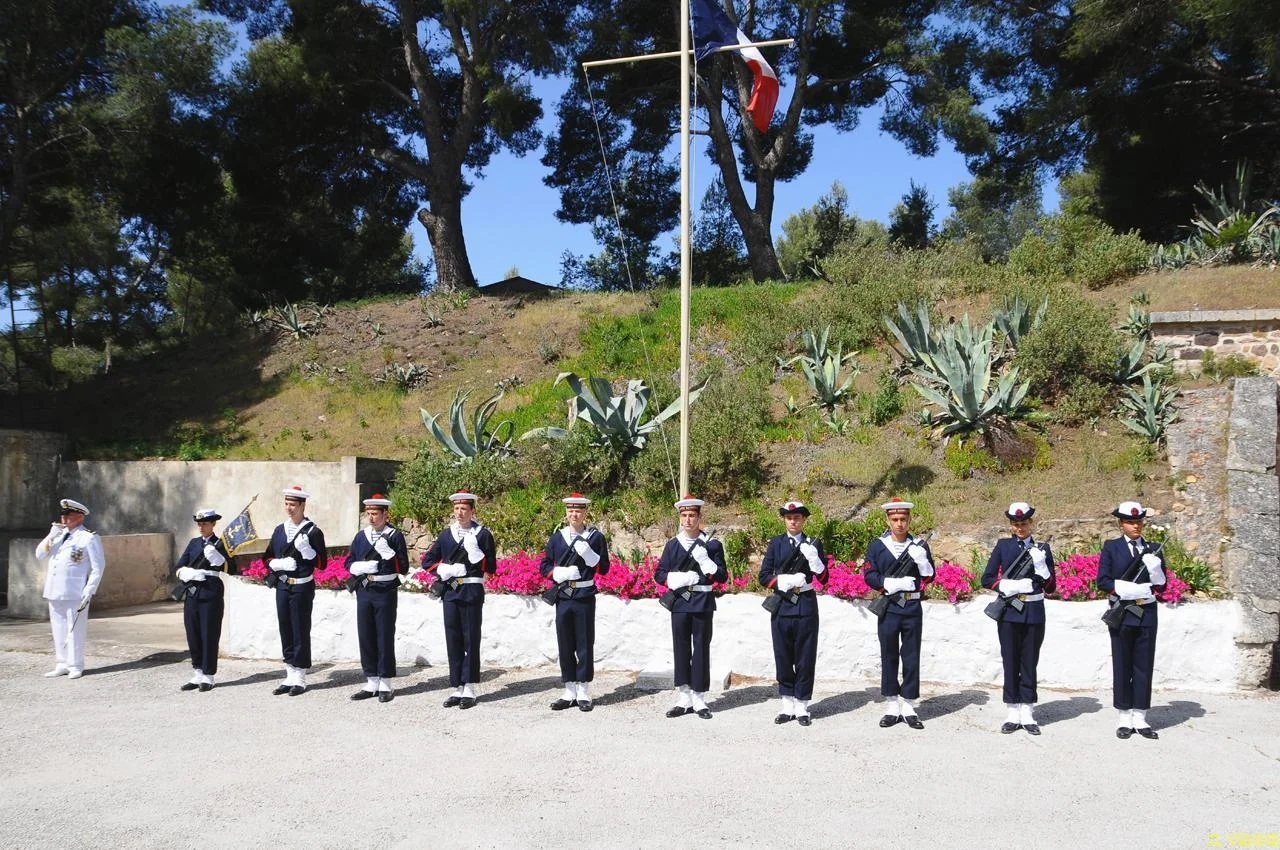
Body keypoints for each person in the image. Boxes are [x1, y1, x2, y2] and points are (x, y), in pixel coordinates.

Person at [981, 501, 1056, 735]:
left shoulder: (1042, 549)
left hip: (1033, 612)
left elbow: (1052, 586)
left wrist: (1042, 568)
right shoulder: (1004, 546)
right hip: (1010, 613)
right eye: (1016, 524)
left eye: (1024, 523)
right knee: (1010, 660)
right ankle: (1013, 710)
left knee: (1029, 662)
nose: (1020, 527)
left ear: (1031, 523)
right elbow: (987, 578)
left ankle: (1028, 711)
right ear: (1011, 526)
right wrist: (1007, 585)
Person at [1097, 500, 1167, 740]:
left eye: (1138, 521)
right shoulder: (1112, 548)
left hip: (1146, 613)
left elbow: (1162, 585)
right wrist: (1125, 589)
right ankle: (1125, 716)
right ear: (1120, 524)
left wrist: (1156, 570)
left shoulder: (1154, 548)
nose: (1136, 526)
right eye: (1130, 522)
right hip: (1123, 612)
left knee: (1144, 665)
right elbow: (1103, 581)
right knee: (1123, 663)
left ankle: (1141, 716)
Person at [421, 490, 497, 708]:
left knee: (471, 639)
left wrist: (477, 554)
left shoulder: (483, 535)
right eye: (456, 508)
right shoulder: (447, 535)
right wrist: (443, 568)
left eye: (464, 508)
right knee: (453, 639)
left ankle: (470, 687)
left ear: (472, 510)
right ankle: (457, 687)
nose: (460, 512)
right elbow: (429, 561)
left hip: (472, 591)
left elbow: (491, 567)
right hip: (451, 592)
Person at [654, 495, 728, 719]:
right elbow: (659, 574)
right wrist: (676, 578)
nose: (688, 520)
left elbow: (722, 577)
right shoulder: (673, 544)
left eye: (692, 515)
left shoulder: (711, 544)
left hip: (702, 603)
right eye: (684, 516)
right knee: (681, 648)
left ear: (699, 517)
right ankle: (684, 696)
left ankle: (699, 698)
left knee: (701, 650)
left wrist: (706, 561)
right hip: (680, 603)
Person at [864, 497, 934, 729]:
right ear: (888, 520)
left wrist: (922, 562)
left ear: (910, 519)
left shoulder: (919, 546)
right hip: (890, 605)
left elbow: (929, 576)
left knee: (911, 655)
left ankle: (909, 706)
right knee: (889, 654)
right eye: (895, 519)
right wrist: (888, 583)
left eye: (903, 519)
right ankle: (892, 704)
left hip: (912, 606)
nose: (899, 523)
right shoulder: (877, 545)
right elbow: (869, 575)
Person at [758, 500, 827, 727]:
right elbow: (764, 576)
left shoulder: (813, 544)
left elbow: (824, 578)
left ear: (804, 519)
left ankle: (802, 705)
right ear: (784, 520)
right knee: (783, 655)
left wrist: (815, 561)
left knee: (805, 656)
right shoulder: (776, 544)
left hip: (805, 604)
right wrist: (783, 580)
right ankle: (787, 703)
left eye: (797, 517)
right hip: (782, 605)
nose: (793, 521)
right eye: (789, 518)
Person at [539, 493, 611, 712]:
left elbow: (604, 568)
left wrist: (590, 555)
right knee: (565, 643)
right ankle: (569, 689)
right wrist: (557, 572)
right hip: (562, 596)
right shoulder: (557, 537)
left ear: (585, 513)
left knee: (584, 643)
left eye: (578, 511)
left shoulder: (595, 538)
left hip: (583, 596)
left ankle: (583, 690)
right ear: (566, 513)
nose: (574, 514)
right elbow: (544, 566)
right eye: (571, 511)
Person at [345, 494, 410, 703]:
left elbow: (404, 567)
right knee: (366, 635)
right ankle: (371, 680)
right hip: (364, 589)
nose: (371, 518)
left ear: (385, 514)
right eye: (369, 514)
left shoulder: (394, 536)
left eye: (375, 514)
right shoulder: (361, 536)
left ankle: (386, 683)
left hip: (384, 589)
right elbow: (350, 560)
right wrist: (355, 567)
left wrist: (389, 554)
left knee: (384, 635)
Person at [262, 485, 326, 696]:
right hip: (283, 586)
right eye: (287, 504)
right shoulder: (280, 530)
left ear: (302, 505)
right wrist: (277, 565)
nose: (289, 508)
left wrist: (307, 551)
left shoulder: (313, 532)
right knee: (285, 628)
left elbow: (322, 563)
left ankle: (300, 675)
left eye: (293, 504)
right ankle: (289, 673)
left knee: (300, 629)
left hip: (301, 587)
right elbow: (267, 557)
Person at [34, 498, 106, 679]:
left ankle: (75, 665)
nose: (64, 518)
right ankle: (62, 663)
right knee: (58, 627)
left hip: (75, 590)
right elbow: (40, 554)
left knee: (75, 629)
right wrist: (50, 535)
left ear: (80, 516)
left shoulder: (89, 537)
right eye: (63, 514)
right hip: (54, 589)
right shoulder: (58, 536)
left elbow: (98, 567)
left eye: (68, 514)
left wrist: (90, 589)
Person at [173, 508, 230, 692]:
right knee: (193, 633)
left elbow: (232, 566)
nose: (201, 527)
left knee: (209, 634)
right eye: (199, 523)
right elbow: (180, 565)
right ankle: (197, 671)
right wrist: (185, 573)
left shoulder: (221, 543)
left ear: (213, 524)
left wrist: (218, 558)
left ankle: (208, 674)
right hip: (192, 592)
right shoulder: (193, 543)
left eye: (205, 523)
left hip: (210, 592)